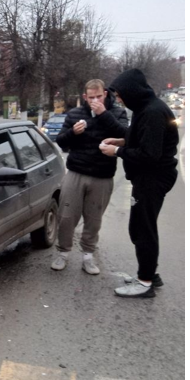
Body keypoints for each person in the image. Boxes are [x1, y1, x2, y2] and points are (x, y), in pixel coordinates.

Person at [99, 68, 180, 298]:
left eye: (121, 94)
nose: (119, 99)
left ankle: (145, 282)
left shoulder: (153, 112)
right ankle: (149, 274)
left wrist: (117, 151)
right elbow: (144, 138)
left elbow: (149, 154)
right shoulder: (146, 108)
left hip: (153, 178)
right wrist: (122, 140)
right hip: (148, 177)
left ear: (133, 91)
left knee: (143, 229)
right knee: (139, 228)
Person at [51, 79, 129, 275]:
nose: (95, 100)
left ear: (105, 95)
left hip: (102, 175)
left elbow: (126, 136)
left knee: (94, 219)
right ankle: (63, 252)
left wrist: (103, 114)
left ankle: (88, 255)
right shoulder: (75, 113)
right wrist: (72, 133)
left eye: (99, 96)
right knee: (67, 216)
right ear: (84, 97)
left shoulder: (117, 113)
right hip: (76, 172)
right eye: (91, 97)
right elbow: (61, 142)